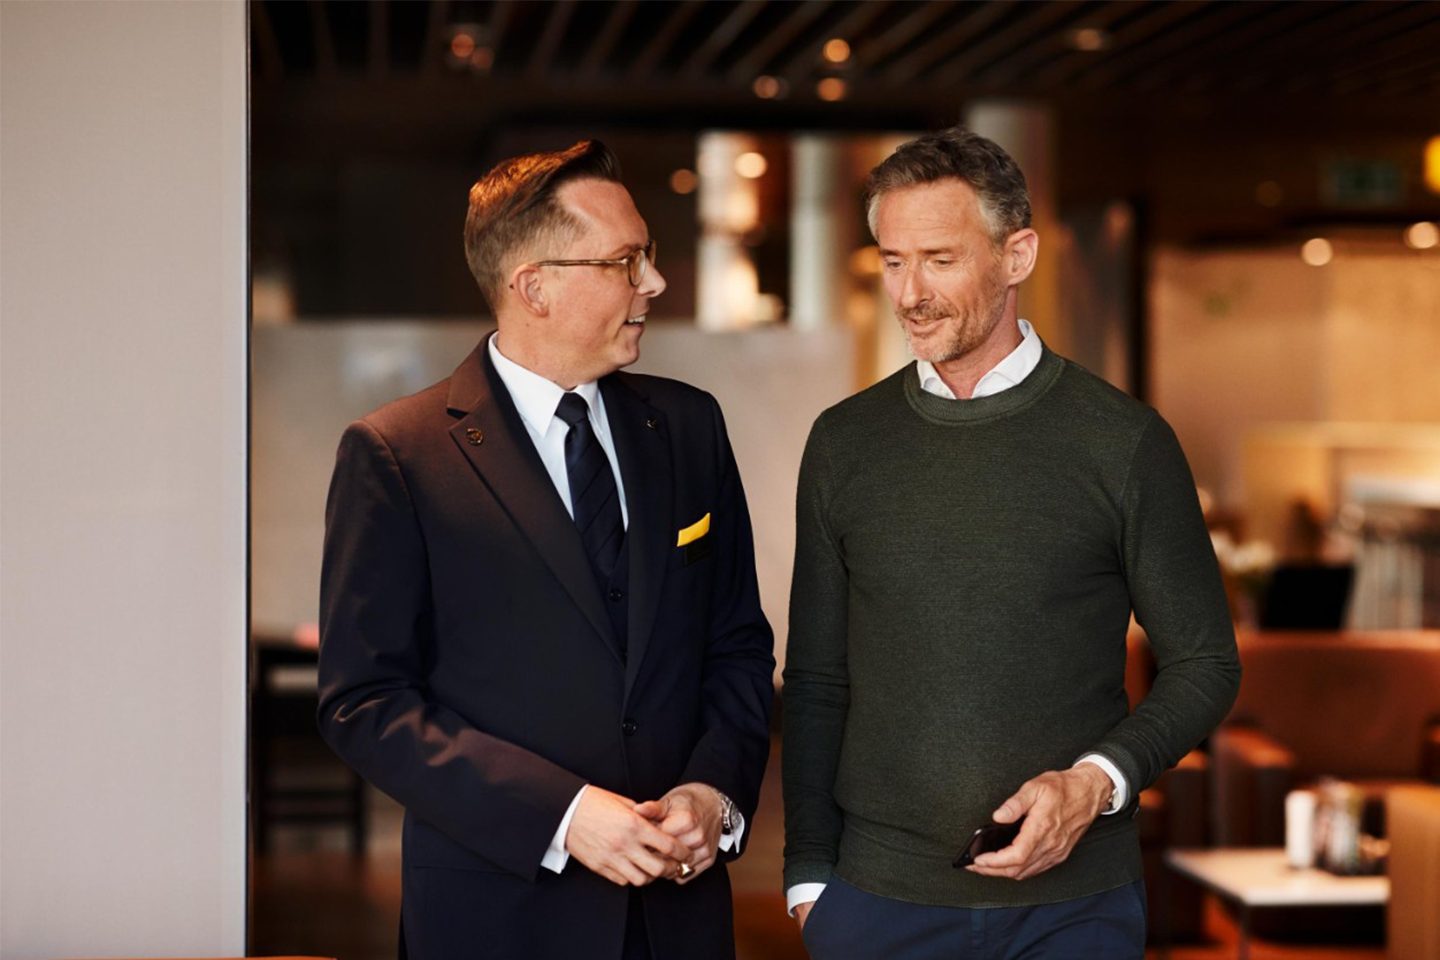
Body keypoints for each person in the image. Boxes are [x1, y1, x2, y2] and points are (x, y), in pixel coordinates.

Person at [781, 127, 1240, 958]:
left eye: (939, 260)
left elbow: (1205, 662)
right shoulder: (844, 442)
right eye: (893, 261)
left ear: (1016, 255)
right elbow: (816, 678)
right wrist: (810, 880)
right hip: (878, 904)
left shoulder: (1124, 441)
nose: (910, 292)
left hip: (1073, 908)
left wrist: (1096, 782)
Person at [318, 140, 775, 960]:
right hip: (497, 920)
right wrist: (562, 816)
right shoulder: (396, 454)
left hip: (678, 920)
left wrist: (714, 795)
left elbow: (737, 645)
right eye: (626, 261)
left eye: (648, 255)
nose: (653, 282)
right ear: (534, 286)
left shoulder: (690, 427)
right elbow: (366, 701)